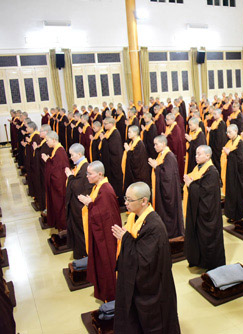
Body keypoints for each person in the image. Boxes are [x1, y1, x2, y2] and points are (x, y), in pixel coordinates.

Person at [112, 182, 181, 334]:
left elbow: (145, 262)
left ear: (144, 201)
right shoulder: (136, 218)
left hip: (153, 288)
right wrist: (127, 238)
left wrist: (126, 239)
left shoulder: (154, 226)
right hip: (138, 284)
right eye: (125, 198)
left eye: (130, 200)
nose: (126, 203)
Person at [78, 161, 121, 302]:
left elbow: (103, 215)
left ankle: (110, 293)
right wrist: (90, 202)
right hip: (99, 232)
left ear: (100, 174)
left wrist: (89, 203)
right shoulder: (98, 187)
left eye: (90, 174)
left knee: (106, 261)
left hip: (107, 236)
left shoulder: (106, 190)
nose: (87, 176)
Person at [183, 145, 226, 269]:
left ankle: (209, 264)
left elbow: (205, 193)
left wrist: (191, 184)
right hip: (197, 210)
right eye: (196, 154)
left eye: (199, 154)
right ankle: (197, 260)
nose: (196, 157)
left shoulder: (212, 172)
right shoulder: (199, 168)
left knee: (206, 238)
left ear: (208, 156)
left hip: (207, 214)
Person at [148, 135, 184, 238]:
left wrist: (157, 167)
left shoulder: (169, 156)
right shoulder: (161, 155)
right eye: (154, 144)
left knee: (168, 213)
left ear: (163, 144)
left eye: (156, 144)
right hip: (161, 190)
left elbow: (167, 176)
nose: (154, 146)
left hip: (169, 193)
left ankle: (171, 233)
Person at [65, 143, 92, 259]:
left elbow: (78, 187)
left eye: (72, 155)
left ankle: (84, 255)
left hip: (80, 205)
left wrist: (70, 176)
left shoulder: (85, 167)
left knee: (81, 231)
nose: (71, 158)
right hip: (76, 205)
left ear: (80, 154)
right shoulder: (79, 166)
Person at [221, 124, 243, 223]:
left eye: (230, 132)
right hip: (231, 173)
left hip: (239, 175)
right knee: (231, 193)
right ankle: (231, 214)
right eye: (227, 132)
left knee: (237, 193)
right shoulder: (230, 142)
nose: (228, 134)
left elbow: (241, 160)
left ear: (236, 131)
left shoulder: (240, 143)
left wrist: (230, 154)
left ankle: (238, 215)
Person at [42, 131, 70, 230]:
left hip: (60, 186)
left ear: (54, 140)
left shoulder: (60, 152)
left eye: (47, 140)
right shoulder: (55, 150)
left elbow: (58, 173)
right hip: (57, 185)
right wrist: (49, 161)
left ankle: (62, 227)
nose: (46, 143)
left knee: (60, 206)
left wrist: (47, 161)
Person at [99, 117, 124, 205]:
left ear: (111, 124)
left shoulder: (115, 133)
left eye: (106, 123)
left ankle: (118, 198)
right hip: (110, 161)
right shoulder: (109, 132)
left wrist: (104, 140)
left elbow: (113, 149)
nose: (104, 125)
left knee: (116, 179)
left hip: (115, 161)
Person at [122, 125, 151, 192]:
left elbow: (135, 161)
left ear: (135, 133)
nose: (128, 133)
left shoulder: (139, 144)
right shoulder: (131, 142)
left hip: (139, 174)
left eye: (130, 132)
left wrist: (128, 151)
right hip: (132, 172)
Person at [164, 112, 186, 179]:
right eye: (166, 119)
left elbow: (174, 141)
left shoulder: (176, 128)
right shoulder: (170, 127)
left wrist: (167, 137)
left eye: (168, 119)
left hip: (176, 151)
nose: (166, 121)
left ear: (173, 120)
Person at [206, 108, 227, 173]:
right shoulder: (214, 122)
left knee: (218, 162)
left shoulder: (221, 123)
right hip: (213, 145)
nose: (213, 115)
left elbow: (220, 136)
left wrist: (211, 131)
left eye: (215, 114)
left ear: (220, 114)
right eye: (213, 114)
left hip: (218, 146)